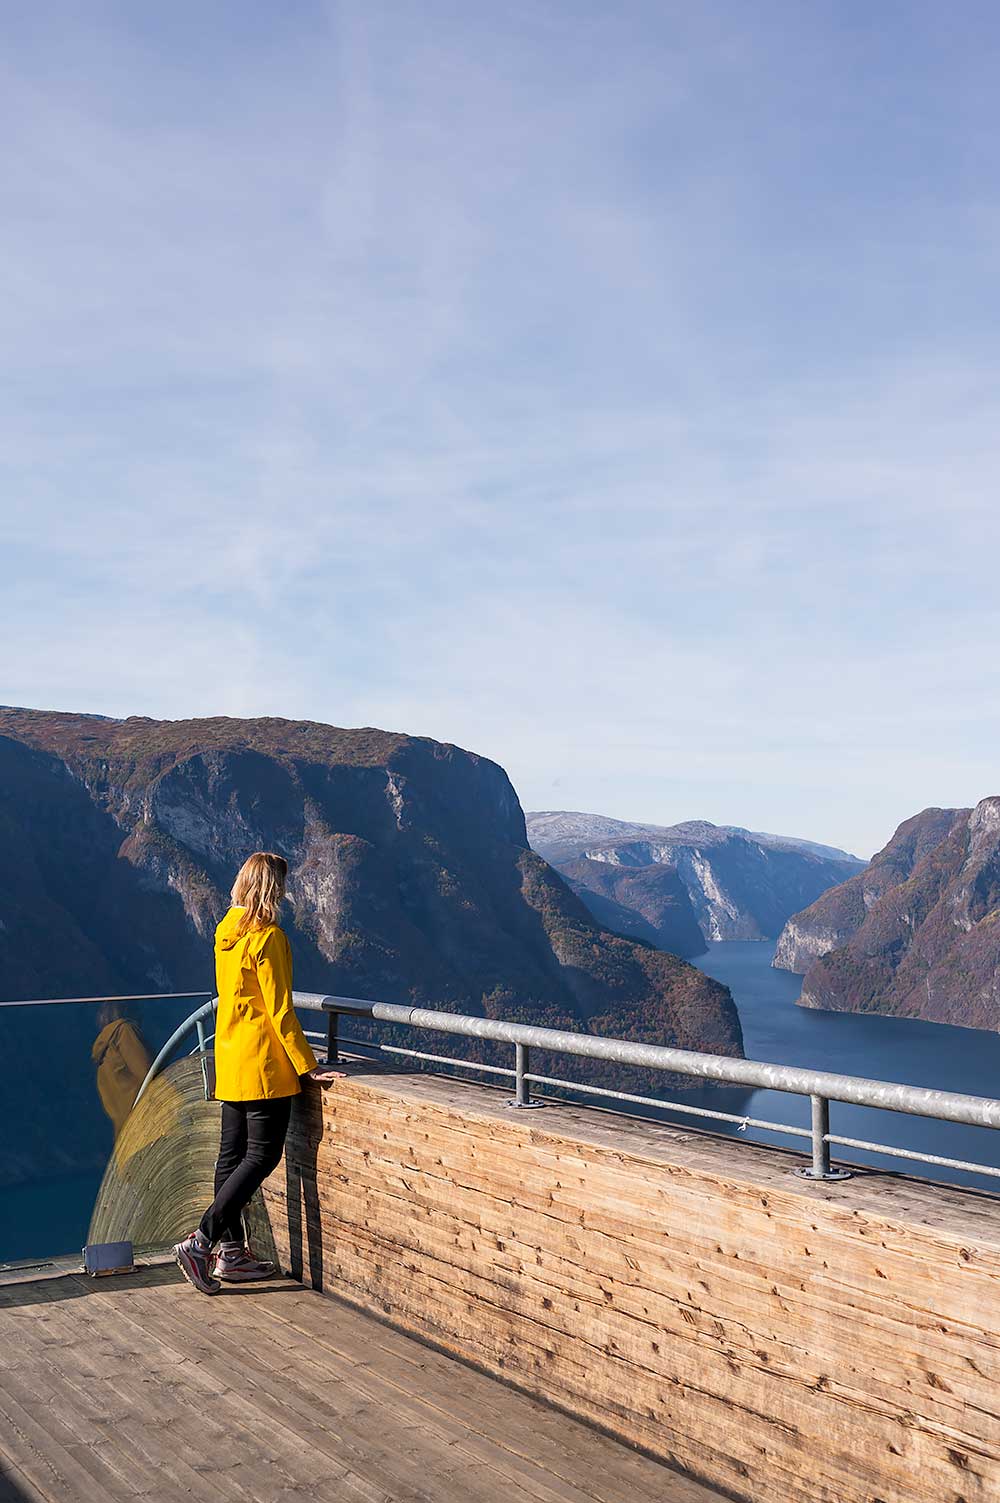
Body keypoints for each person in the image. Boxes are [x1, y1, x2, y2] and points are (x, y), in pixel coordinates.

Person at [173, 851, 342, 1293]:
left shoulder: (224, 934)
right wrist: (309, 1066)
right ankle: (203, 1240)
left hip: (230, 1058)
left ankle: (230, 1255)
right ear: (273, 889)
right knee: (261, 1156)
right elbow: (281, 1011)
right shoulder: (269, 939)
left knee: (230, 1156)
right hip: (264, 1063)